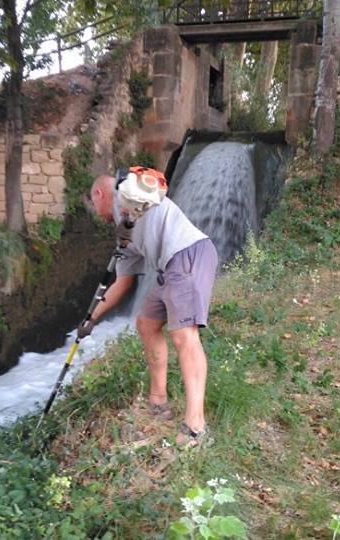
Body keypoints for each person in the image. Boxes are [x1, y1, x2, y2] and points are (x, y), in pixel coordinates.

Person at [78, 170, 218, 446]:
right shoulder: (123, 236)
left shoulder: (128, 191)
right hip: (169, 267)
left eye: (94, 205)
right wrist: (91, 318)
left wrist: (125, 191)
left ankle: (195, 427)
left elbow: (147, 186)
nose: (97, 213)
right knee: (146, 323)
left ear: (99, 194)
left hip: (188, 253)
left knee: (184, 334)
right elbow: (122, 282)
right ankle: (158, 401)